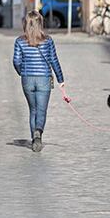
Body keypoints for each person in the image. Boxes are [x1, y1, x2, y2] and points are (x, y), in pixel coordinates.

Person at [12, 11, 67, 152]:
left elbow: (16, 61)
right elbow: (54, 60)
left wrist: (22, 72)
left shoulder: (19, 41)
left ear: (26, 23)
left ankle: (34, 139)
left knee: (33, 110)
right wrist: (60, 79)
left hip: (27, 79)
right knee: (41, 110)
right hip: (44, 78)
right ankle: (38, 133)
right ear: (40, 24)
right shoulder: (48, 40)